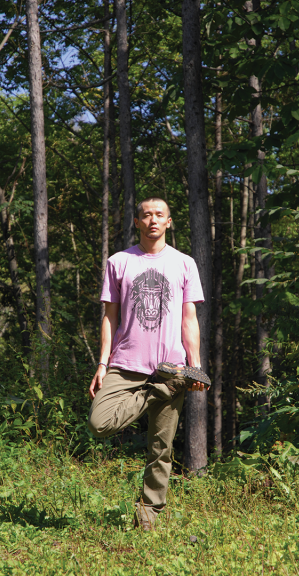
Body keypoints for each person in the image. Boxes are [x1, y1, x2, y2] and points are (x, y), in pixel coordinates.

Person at [88, 197, 210, 531]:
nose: (153, 220)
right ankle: (160, 389)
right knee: (100, 422)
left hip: (173, 367)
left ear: (169, 222)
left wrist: (194, 368)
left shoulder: (184, 264)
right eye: (147, 215)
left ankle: (147, 520)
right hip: (126, 364)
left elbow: (189, 319)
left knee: (161, 448)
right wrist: (102, 363)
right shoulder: (119, 262)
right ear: (137, 222)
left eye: (159, 215)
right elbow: (109, 317)